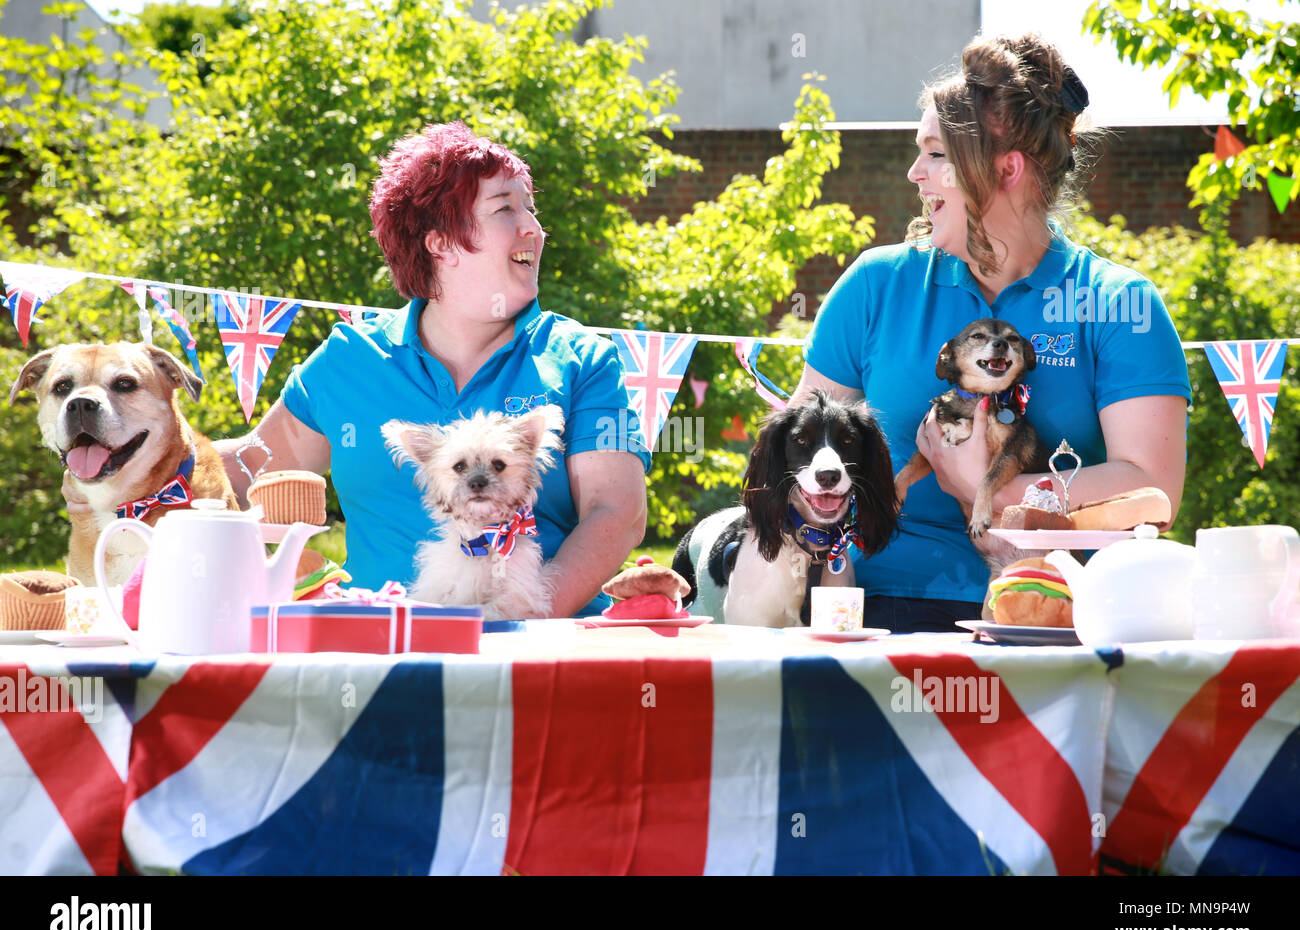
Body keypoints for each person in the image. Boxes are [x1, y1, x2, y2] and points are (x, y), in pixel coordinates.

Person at [65, 122, 650, 618]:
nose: (533, 228)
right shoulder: (349, 358)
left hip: (542, 655)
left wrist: (519, 620)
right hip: (377, 660)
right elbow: (249, 469)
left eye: (531, 207)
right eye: (506, 209)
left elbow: (615, 514)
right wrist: (127, 452)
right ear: (441, 243)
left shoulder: (582, 356)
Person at [794, 33, 1191, 634]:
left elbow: (1152, 490)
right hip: (875, 608)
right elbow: (797, 453)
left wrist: (995, 491)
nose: (914, 173)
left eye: (935, 154)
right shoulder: (875, 285)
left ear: (1006, 169)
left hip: (1057, 613)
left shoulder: (1118, 303)